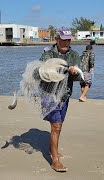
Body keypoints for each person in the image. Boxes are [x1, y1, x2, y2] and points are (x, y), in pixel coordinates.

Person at [39, 27, 82, 172]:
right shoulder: (48, 54)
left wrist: (75, 73)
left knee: (59, 125)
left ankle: (52, 149)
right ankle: (55, 160)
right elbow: (42, 72)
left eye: (68, 39)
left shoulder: (74, 55)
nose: (66, 42)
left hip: (65, 94)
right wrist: (63, 69)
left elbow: (78, 77)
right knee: (56, 126)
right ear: (57, 39)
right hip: (49, 93)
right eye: (63, 39)